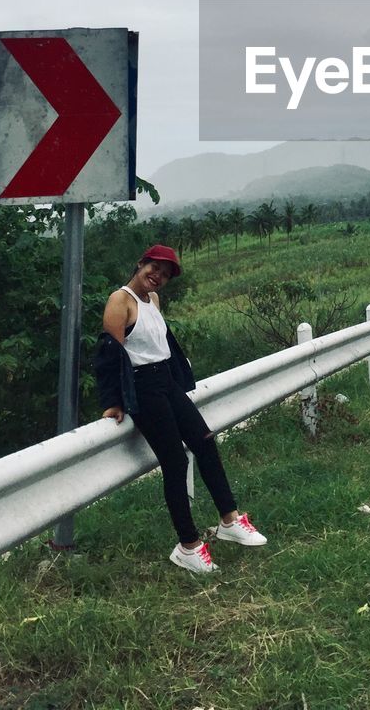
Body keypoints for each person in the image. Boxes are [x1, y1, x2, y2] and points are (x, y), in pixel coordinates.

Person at [94, 243, 266, 575]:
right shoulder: (120, 301)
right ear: (140, 263)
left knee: (204, 441)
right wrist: (113, 402)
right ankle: (188, 546)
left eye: (166, 274)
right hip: (143, 387)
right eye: (154, 268)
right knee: (174, 460)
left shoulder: (152, 300)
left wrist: (178, 379)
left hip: (166, 382)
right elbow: (108, 355)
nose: (158, 277)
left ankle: (229, 519)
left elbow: (161, 344)